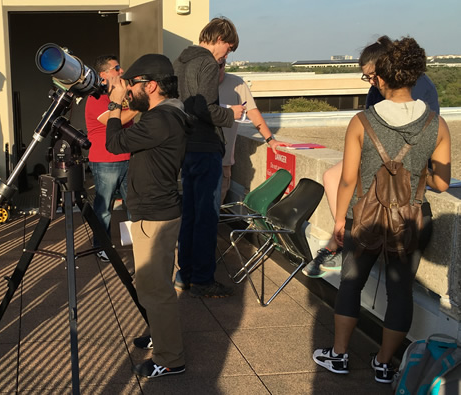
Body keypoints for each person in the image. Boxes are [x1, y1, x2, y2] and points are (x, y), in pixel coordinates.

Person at [312, 36, 451, 384]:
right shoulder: (438, 124)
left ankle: (340, 355)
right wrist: (415, 171)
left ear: (382, 76)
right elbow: (444, 184)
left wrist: (341, 223)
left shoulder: (362, 121)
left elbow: (347, 180)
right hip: (411, 218)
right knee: (400, 290)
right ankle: (385, 363)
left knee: (351, 284)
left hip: (366, 216)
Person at [302, 36, 441, 278]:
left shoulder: (415, 86)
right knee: (331, 176)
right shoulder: (377, 88)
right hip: (381, 150)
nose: (371, 82)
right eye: (367, 77)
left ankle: (342, 242)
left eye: (372, 75)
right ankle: (342, 239)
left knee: (351, 181)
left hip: (406, 155)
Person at [105, 54, 189, 378]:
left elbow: (114, 143)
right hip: (153, 212)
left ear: (150, 85)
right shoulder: (166, 115)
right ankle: (160, 334)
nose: (127, 93)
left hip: (154, 216)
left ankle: (170, 358)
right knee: (151, 284)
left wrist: (114, 105)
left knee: (156, 290)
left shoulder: (160, 119)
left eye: (131, 87)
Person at [173, 17, 247, 298]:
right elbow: (203, 108)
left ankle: (185, 274)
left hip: (185, 146)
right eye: (228, 48)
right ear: (219, 39)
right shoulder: (206, 62)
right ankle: (203, 279)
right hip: (205, 147)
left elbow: (185, 105)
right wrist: (231, 114)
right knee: (206, 216)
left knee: (190, 215)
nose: (226, 55)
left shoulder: (180, 60)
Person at [84, 54, 139, 262]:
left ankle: (136, 244)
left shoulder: (124, 95)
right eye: (116, 68)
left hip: (128, 157)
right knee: (104, 207)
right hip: (105, 160)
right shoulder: (96, 98)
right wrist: (136, 107)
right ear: (103, 75)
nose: (121, 71)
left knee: (133, 205)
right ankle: (102, 246)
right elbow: (115, 119)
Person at [217, 59, 288, 202]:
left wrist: (270, 140)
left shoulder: (237, 83)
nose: (219, 69)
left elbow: (252, 112)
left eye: (221, 65)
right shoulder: (196, 86)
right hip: (198, 160)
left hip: (223, 162)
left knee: (214, 212)